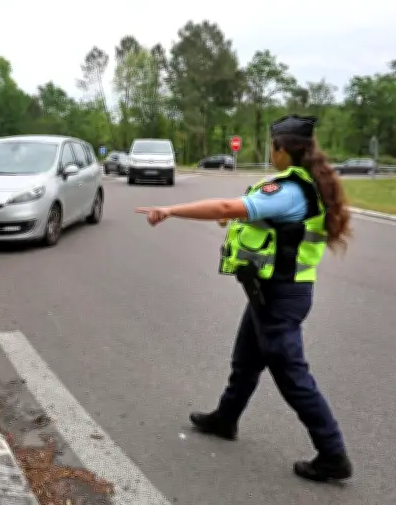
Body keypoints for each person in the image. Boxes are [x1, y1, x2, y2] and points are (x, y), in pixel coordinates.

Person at [135, 115, 354, 482]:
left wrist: (170, 210)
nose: (271, 153)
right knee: (246, 361)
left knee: (293, 377)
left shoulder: (290, 190)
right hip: (269, 292)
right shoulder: (303, 183)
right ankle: (226, 418)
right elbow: (266, 223)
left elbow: (226, 208)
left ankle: (333, 454)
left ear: (282, 150)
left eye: (272, 147)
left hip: (281, 296)